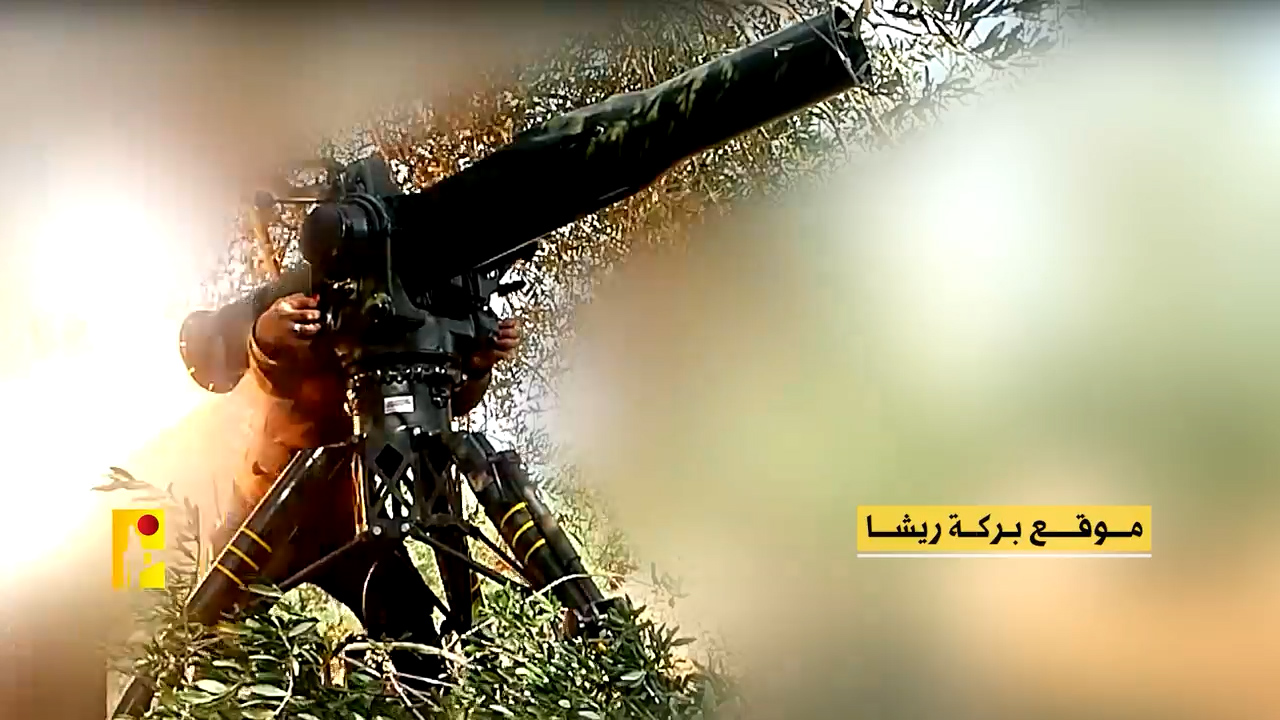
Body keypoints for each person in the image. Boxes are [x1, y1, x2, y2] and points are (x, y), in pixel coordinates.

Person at [220, 292, 521, 686]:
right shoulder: (324, 297)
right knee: (216, 627)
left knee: (412, 630)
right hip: (268, 504)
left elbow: (441, 400)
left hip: (348, 516)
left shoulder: (418, 306)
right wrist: (268, 334)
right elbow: (267, 373)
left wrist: (477, 366)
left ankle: (416, 697)